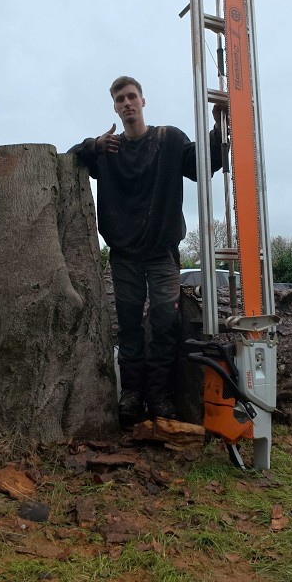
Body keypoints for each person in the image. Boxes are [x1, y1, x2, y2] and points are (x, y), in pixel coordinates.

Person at [70, 75, 225, 425]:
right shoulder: (108, 149)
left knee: (165, 323)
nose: (127, 103)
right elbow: (71, 158)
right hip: (124, 255)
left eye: (132, 96)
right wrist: (93, 143)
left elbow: (201, 165)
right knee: (128, 327)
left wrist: (218, 128)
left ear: (143, 101)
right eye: (120, 99)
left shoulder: (169, 139)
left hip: (161, 255)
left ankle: (159, 396)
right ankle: (132, 395)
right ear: (114, 106)